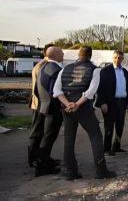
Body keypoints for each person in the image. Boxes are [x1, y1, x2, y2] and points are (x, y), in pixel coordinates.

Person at [52, 46, 116, 180]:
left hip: (66, 108)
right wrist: (77, 104)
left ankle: (70, 171)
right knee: (95, 136)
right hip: (83, 108)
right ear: (90, 55)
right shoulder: (95, 70)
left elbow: (57, 91)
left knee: (69, 138)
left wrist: (68, 104)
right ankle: (101, 170)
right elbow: (91, 92)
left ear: (78, 54)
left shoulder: (65, 69)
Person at [33, 46, 65, 176]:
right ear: (56, 55)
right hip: (53, 109)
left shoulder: (42, 67)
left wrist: (43, 101)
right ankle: (42, 167)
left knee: (46, 136)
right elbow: (55, 92)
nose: (63, 54)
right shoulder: (56, 70)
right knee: (48, 138)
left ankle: (45, 160)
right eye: (61, 52)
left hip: (44, 107)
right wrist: (62, 105)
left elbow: (36, 89)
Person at [28, 43, 59, 169]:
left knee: (43, 132)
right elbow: (37, 87)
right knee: (37, 132)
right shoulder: (42, 66)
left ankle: (42, 157)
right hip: (40, 104)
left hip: (41, 103)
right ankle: (33, 158)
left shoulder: (43, 65)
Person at [95, 50, 128, 155]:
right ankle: (106, 149)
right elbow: (100, 88)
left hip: (122, 102)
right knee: (109, 126)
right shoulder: (105, 71)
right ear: (113, 58)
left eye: (119, 58)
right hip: (109, 103)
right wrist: (102, 103)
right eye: (115, 57)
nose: (117, 60)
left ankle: (117, 146)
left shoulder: (124, 72)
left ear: (122, 59)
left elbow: (127, 88)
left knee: (120, 125)